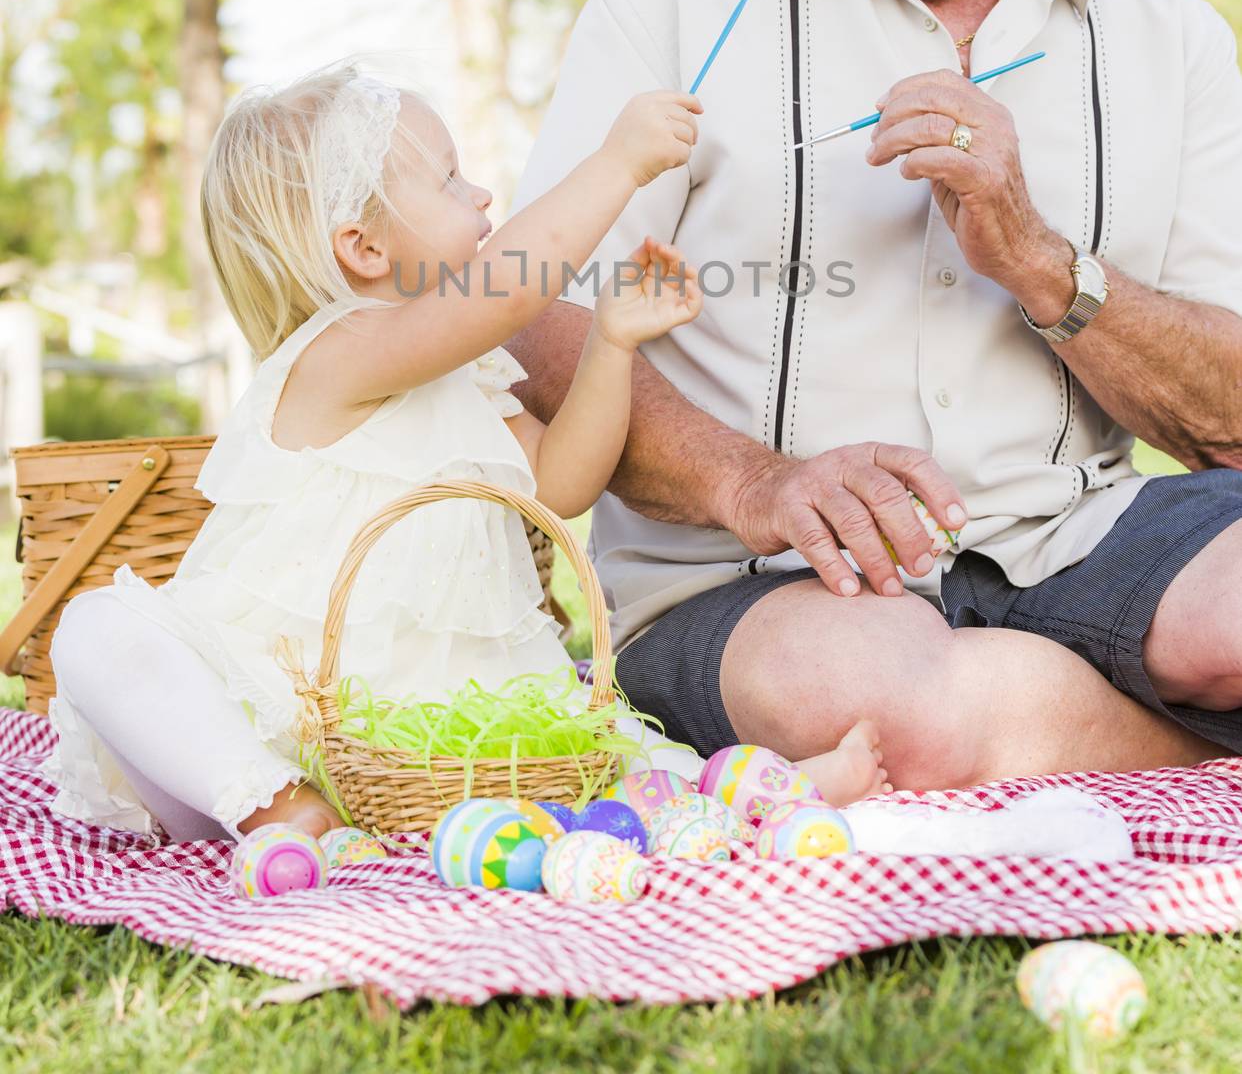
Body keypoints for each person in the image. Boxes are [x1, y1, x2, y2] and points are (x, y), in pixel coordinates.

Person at [506, 0, 1242, 788]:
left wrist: (1041, 266)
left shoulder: (1168, 32)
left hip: (1083, 538)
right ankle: (1172, 756)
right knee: (902, 717)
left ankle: (1046, 733)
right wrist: (758, 481)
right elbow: (528, 311)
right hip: (750, 585)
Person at [41, 62, 888, 846]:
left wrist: (613, 347)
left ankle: (743, 799)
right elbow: (505, 290)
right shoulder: (334, 354)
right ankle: (276, 808)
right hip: (281, 716)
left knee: (622, 764)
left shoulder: (471, 379)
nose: (480, 194)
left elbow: (562, 483)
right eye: (449, 180)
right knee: (96, 629)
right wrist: (616, 166)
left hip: (445, 725)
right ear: (363, 248)